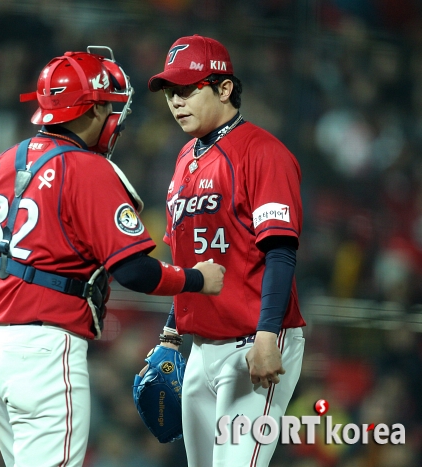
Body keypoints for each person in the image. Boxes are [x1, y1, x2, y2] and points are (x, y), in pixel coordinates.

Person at [0, 46, 225, 467]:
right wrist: (197, 279)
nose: (115, 118)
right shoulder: (87, 169)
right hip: (41, 350)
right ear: (92, 108)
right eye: (110, 106)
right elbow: (135, 271)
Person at [144, 34, 306, 467]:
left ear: (224, 88)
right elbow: (186, 262)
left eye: (187, 88)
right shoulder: (184, 158)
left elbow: (280, 252)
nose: (176, 101)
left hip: (255, 340)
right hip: (201, 347)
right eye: (170, 93)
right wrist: (171, 335)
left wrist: (269, 335)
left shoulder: (263, 152)